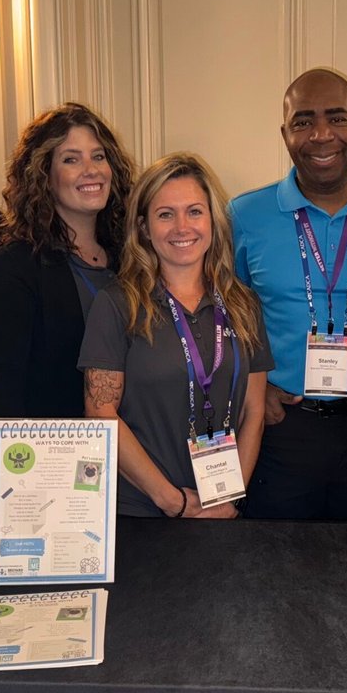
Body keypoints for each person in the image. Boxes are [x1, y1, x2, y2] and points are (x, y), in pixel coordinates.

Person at [230, 68, 347, 520]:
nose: (321, 135)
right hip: (281, 430)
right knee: (276, 569)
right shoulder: (244, 216)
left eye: (337, 118)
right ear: (284, 133)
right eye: (303, 121)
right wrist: (250, 389)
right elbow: (223, 314)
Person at [80, 153, 273, 518]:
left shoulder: (244, 304)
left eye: (195, 212)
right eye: (165, 214)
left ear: (214, 221)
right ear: (144, 228)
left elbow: (254, 410)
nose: (182, 227)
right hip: (143, 512)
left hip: (221, 510)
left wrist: (231, 497)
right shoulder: (117, 304)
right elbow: (100, 411)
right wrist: (171, 500)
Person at [0, 103, 135, 417]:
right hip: (55, 455)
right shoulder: (16, 266)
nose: (91, 170)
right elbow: (5, 392)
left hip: (138, 447)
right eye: (70, 159)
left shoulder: (133, 256)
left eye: (98, 156)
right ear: (44, 176)